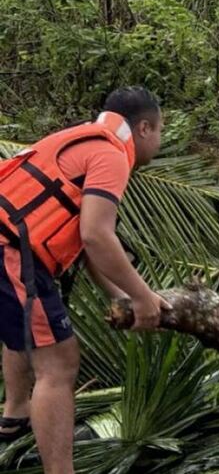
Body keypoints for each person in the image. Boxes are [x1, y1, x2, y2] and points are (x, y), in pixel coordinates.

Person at [0, 86, 171, 473]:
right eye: (160, 131)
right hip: (10, 252)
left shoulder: (80, 139)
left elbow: (84, 241)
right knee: (58, 364)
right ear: (144, 127)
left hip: (9, 247)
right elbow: (97, 234)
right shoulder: (110, 154)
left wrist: (125, 296)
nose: (160, 140)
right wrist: (145, 299)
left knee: (26, 332)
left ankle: (15, 415)